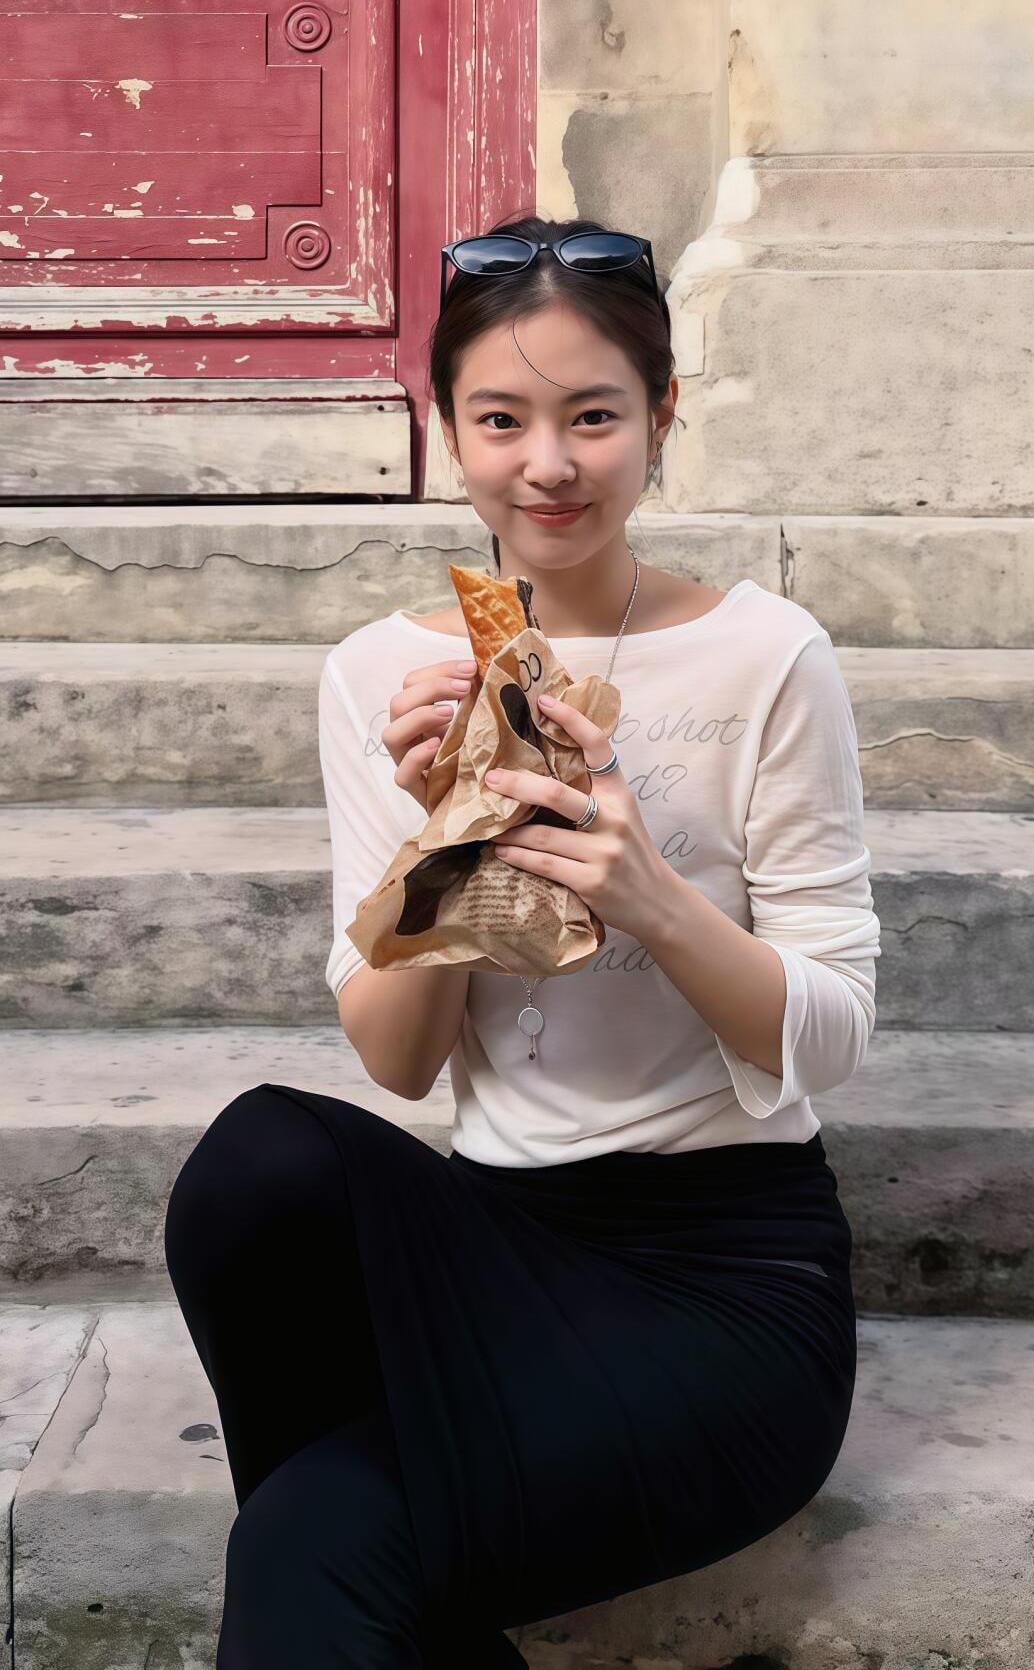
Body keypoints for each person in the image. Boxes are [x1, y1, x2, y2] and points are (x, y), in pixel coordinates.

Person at [164, 212, 881, 1668]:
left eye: (592, 417)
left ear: (662, 418)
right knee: (262, 1162)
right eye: (501, 419)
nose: (547, 463)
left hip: (723, 1276)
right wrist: (450, 841)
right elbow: (399, 1068)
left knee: (310, 1540)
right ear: (449, 432)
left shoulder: (766, 656)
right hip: (498, 1237)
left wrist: (647, 889)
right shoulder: (382, 675)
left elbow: (832, 1035)